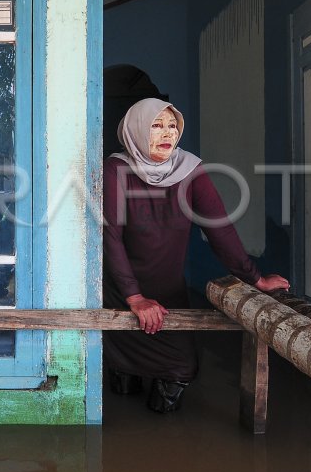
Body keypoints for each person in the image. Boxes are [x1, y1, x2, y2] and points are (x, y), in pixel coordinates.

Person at [103, 98, 289, 413]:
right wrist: (134, 297)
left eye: (172, 126)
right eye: (156, 126)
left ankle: (165, 446)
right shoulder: (115, 169)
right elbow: (111, 237)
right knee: (122, 376)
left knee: (181, 368)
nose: (167, 134)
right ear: (136, 130)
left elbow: (219, 229)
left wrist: (254, 277)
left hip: (168, 290)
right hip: (122, 289)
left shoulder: (189, 169)